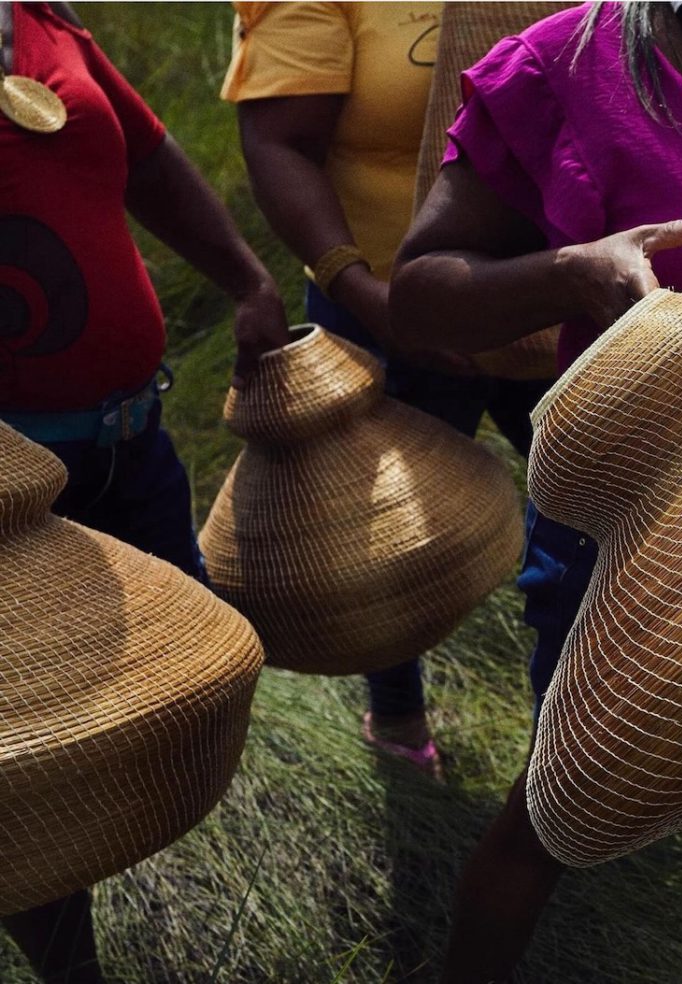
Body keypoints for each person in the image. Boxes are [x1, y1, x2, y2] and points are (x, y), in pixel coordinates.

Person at [389, 1, 682, 979]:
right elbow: (418, 295)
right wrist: (573, 272)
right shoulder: (561, 66)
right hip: (643, 533)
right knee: (562, 799)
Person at [0, 2, 289, 981]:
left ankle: (146, 864)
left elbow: (148, 158)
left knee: (180, 681)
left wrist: (246, 277)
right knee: (36, 753)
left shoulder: (38, 14)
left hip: (133, 441)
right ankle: (71, 965)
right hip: (12, 499)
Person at [221, 0, 554, 773]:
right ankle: (398, 717)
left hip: (559, 303)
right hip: (385, 311)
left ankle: (574, 744)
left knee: (600, 524)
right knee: (374, 547)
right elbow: (279, 141)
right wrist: (368, 294)